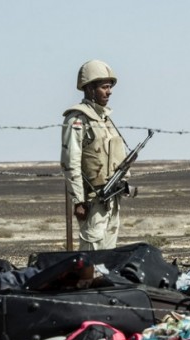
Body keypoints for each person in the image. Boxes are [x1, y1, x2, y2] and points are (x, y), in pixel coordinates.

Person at [60, 59, 129, 251]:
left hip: (112, 198)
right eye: (104, 87)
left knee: (109, 257)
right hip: (92, 201)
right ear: (90, 89)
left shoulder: (106, 119)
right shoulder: (77, 118)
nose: (109, 92)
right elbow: (70, 162)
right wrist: (78, 201)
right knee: (92, 255)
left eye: (110, 87)